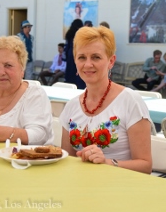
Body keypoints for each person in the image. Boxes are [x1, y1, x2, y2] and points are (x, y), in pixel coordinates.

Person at [60, 26, 152, 174]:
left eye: (96, 57)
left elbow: (145, 166)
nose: (88, 64)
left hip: (119, 188)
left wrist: (107, 163)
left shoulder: (130, 101)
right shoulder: (71, 106)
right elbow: (67, 160)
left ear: (111, 61)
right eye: (82, 57)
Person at [64, 19, 86, 89]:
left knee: (70, 75)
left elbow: (66, 48)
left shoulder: (69, 34)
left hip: (70, 55)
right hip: (78, 54)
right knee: (78, 75)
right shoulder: (80, 34)